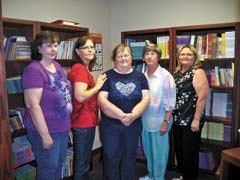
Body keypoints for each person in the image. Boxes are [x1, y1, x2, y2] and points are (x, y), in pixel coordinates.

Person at [21, 31, 73, 180]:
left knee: (59, 165)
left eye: (55, 45)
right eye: (49, 45)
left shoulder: (56, 66)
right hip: (46, 130)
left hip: (62, 128)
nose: (54, 49)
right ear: (39, 49)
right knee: (48, 169)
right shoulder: (33, 70)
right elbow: (32, 106)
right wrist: (45, 136)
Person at [97, 43, 150, 180]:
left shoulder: (141, 77)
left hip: (133, 124)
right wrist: (122, 116)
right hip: (110, 126)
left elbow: (146, 99)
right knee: (111, 156)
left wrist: (132, 115)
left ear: (132, 57)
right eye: (119, 55)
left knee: (129, 156)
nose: (123, 58)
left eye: (126, 55)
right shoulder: (106, 76)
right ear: (114, 58)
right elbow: (102, 101)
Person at [67, 36, 107, 180]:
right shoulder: (80, 70)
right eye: (86, 47)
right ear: (78, 51)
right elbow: (80, 96)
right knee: (82, 161)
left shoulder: (83, 69)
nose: (90, 50)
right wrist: (98, 86)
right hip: (82, 122)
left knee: (83, 159)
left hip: (85, 120)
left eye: (92, 47)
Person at [139, 43, 176, 180]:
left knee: (159, 154)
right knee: (148, 151)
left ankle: (159, 177)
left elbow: (170, 102)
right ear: (143, 57)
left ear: (158, 57)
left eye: (153, 53)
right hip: (145, 120)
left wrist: (165, 122)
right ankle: (151, 175)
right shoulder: (142, 76)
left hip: (160, 121)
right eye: (147, 54)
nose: (149, 56)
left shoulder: (165, 76)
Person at [172, 44, 209, 180]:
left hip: (192, 119)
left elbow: (203, 96)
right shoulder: (175, 74)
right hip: (177, 119)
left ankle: (190, 178)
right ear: (178, 57)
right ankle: (184, 176)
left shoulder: (197, 72)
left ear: (194, 57)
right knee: (180, 151)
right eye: (182, 54)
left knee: (190, 153)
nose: (185, 57)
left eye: (189, 54)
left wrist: (196, 120)